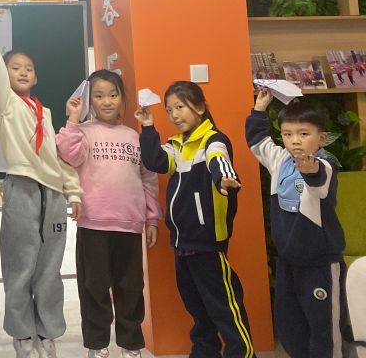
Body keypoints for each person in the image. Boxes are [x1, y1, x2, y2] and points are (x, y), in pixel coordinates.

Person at [0, 28, 81, 358]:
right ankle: (23, 335)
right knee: (20, 268)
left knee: (49, 269)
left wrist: (73, 191)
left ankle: (47, 331)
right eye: (15, 67)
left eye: (29, 68)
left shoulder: (43, 111)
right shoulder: (5, 104)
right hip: (22, 188)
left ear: (36, 76)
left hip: (52, 194)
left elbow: (54, 157)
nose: (23, 72)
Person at [137, 81, 256, 358]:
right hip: (182, 243)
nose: (174, 115)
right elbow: (155, 161)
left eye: (180, 106)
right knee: (197, 307)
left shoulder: (213, 140)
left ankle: (243, 354)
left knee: (225, 307)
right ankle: (205, 352)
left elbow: (219, 161)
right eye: (169, 110)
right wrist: (148, 126)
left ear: (200, 107)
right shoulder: (177, 145)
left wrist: (225, 179)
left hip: (207, 243)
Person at [55, 71, 160, 358]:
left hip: (129, 225)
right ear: (90, 99)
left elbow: (148, 179)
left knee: (131, 288)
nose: (107, 101)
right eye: (99, 96)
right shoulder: (83, 131)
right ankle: (97, 343)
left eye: (113, 95)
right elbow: (68, 154)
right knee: (94, 287)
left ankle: (131, 344)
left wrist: (152, 217)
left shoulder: (134, 136)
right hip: (93, 224)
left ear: (122, 98)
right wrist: (73, 118)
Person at [246, 90, 346, 358]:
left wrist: (309, 169)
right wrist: (259, 108)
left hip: (319, 264)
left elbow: (318, 177)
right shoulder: (280, 161)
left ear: (321, 138)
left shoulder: (325, 165)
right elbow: (257, 141)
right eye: (288, 134)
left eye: (304, 134)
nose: (295, 141)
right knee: (290, 326)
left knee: (324, 328)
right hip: (289, 262)